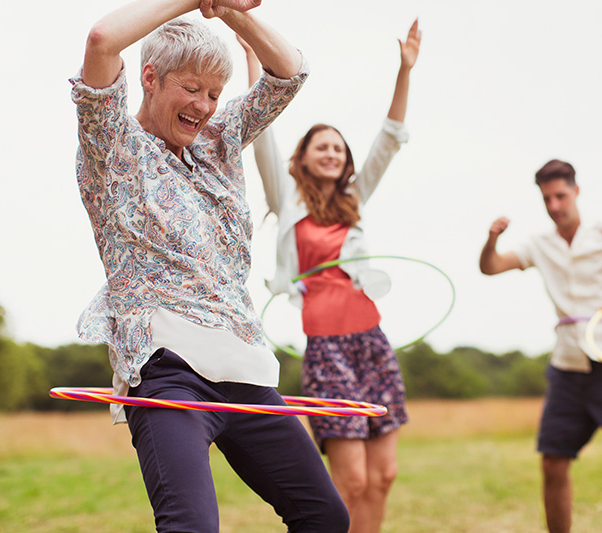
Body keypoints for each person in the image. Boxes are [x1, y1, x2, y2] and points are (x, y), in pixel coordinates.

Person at [71, 1, 349, 531]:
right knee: (191, 526)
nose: (204, 105)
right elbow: (102, 40)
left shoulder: (218, 141)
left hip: (243, 365)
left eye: (215, 93)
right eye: (192, 88)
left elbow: (290, 73)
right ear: (150, 78)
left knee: (326, 517)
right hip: (169, 369)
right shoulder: (111, 145)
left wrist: (230, 10)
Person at [241, 19, 420, 533]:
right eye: (321, 145)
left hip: (371, 340)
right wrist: (253, 55)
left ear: (345, 163)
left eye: (339, 148)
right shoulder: (286, 199)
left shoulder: (354, 201)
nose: (332, 152)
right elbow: (261, 133)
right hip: (327, 347)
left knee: (384, 476)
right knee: (352, 482)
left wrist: (404, 70)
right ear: (304, 156)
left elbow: (388, 140)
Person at [479, 159, 602, 533]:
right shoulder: (539, 245)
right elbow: (490, 267)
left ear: (576, 191)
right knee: (552, 463)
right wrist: (492, 238)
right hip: (567, 367)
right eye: (546, 199)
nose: (554, 206)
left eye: (560, 196)